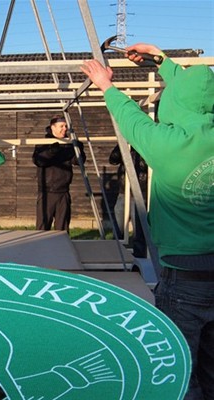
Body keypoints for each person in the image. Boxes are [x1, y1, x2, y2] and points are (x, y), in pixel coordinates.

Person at [81, 43, 214, 400]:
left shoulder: (167, 142)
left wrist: (105, 84)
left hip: (183, 276)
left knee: (178, 368)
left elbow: (130, 117)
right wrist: (162, 62)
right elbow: (200, 94)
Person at [32, 116, 86, 231]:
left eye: (66, 126)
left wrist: (79, 149)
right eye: (61, 126)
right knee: (43, 227)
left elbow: (77, 162)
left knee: (63, 228)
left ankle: (61, 249)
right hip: (47, 192)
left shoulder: (67, 143)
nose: (64, 129)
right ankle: (41, 249)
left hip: (63, 192)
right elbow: (39, 161)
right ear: (53, 128)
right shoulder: (43, 143)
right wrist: (51, 151)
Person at [108, 144, 148, 257]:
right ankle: (116, 257)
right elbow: (113, 159)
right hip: (123, 192)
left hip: (140, 193)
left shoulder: (144, 144)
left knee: (139, 233)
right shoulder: (126, 143)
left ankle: (139, 259)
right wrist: (122, 147)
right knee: (118, 230)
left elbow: (145, 167)